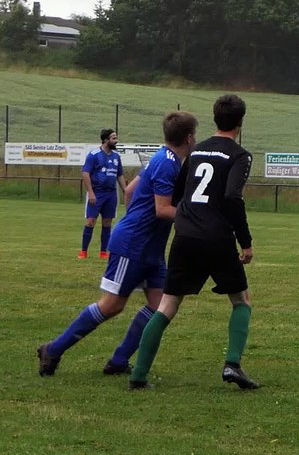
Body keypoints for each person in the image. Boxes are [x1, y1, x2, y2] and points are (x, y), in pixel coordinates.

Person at [37, 112, 198, 377]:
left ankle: (119, 361)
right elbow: (161, 209)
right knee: (112, 305)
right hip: (133, 246)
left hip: (150, 248)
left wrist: (136, 218)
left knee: (161, 307)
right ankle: (53, 349)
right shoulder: (168, 164)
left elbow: (131, 191)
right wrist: (194, 217)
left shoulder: (163, 158)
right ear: (189, 138)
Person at [129, 94, 259, 391]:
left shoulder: (196, 152)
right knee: (241, 300)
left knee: (168, 304)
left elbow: (177, 193)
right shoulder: (240, 155)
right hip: (216, 237)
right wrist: (246, 242)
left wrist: (190, 216)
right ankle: (232, 364)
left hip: (185, 235)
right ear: (240, 122)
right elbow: (231, 197)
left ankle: (138, 375)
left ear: (215, 119)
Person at [80, 128, 128, 259]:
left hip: (111, 195)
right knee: (90, 221)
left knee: (107, 222)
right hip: (97, 193)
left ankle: (103, 252)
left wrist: (126, 190)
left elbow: (120, 175)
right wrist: (91, 192)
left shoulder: (116, 156)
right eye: (114, 138)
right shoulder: (94, 155)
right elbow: (85, 173)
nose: (116, 141)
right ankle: (83, 252)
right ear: (106, 140)